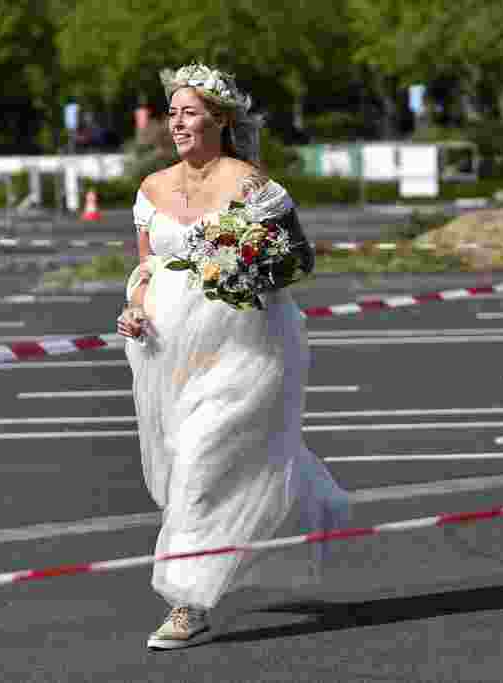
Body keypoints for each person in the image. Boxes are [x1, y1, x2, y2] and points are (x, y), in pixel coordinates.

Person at [116, 63, 351, 651]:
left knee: (198, 465)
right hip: (170, 352)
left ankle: (186, 603)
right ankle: (299, 496)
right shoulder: (151, 190)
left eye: (188, 111)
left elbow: (298, 259)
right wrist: (136, 309)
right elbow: (145, 269)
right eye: (171, 113)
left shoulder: (251, 184)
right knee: (183, 470)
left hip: (250, 346)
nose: (177, 123)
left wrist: (248, 267)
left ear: (219, 119)